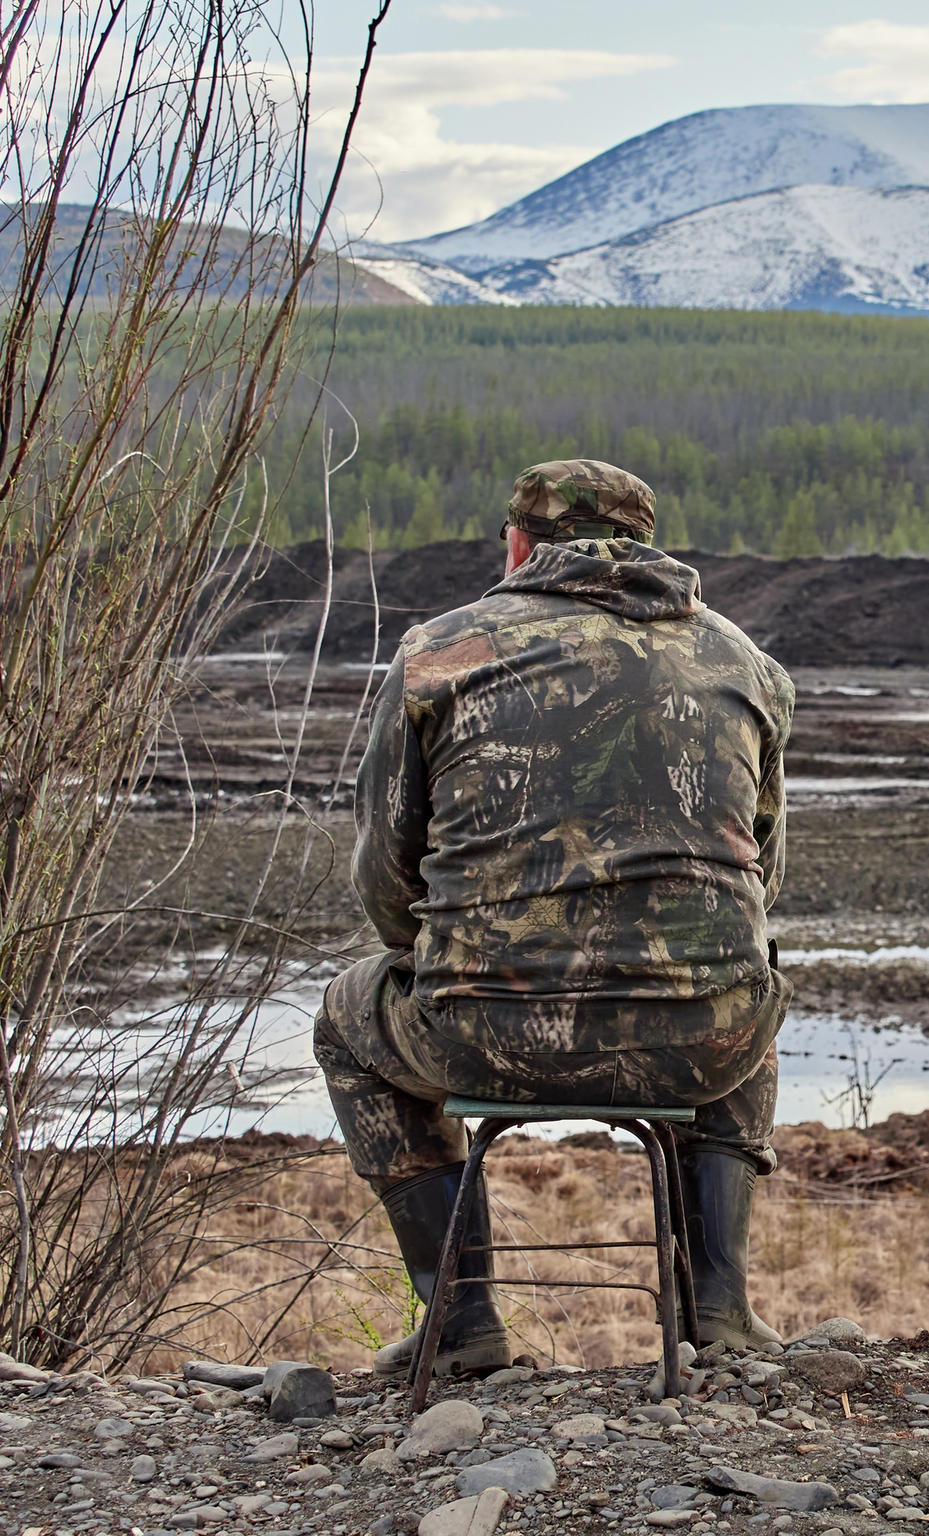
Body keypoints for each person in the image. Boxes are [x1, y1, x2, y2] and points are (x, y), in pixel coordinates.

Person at [313, 459, 795, 1379]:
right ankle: (721, 1313)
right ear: (644, 544)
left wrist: (449, 959)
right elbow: (762, 877)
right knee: (742, 987)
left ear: (520, 543)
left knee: (345, 1019)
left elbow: (385, 878)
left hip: (481, 1029)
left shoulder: (440, 653)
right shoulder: (747, 664)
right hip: (702, 1041)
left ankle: (461, 1324)